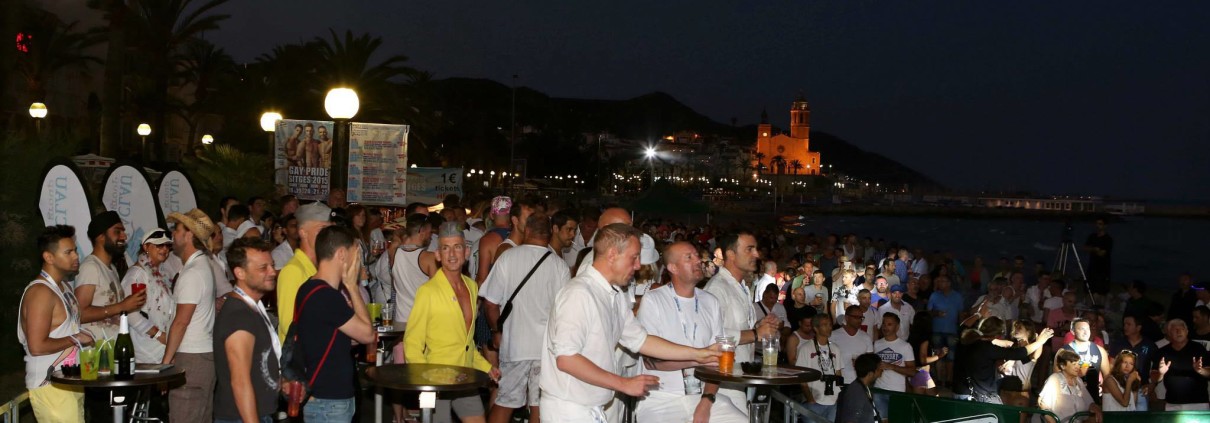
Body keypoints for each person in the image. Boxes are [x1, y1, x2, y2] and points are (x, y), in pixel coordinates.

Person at [539, 224, 722, 422]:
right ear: (612, 255)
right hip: (567, 409)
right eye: (634, 257)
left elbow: (642, 340)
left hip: (588, 407)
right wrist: (623, 383)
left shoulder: (614, 295)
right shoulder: (579, 293)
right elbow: (567, 359)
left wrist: (699, 354)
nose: (637, 266)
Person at [633, 241, 748, 423]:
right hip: (661, 398)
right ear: (673, 268)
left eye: (697, 256)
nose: (698, 261)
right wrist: (699, 358)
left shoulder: (711, 302)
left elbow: (717, 362)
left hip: (703, 396)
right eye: (689, 257)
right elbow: (651, 362)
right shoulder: (654, 300)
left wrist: (706, 401)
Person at [406, 223, 501, 423]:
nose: (451, 254)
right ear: (438, 255)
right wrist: (424, 383)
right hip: (436, 380)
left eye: (457, 247)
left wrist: (486, 367)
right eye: (445, 248)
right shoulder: (428, 291)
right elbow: (412, 343)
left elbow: (466, 343)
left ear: (466, 252)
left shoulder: (472, 286)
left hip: (464, 377)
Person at [481, 214, 571, 423]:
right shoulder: (560, 266)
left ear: (527, 230)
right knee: (539, 406)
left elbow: (490, 303)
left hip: (515, 345)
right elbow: (565, 312)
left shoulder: (507, 258)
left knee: (505, 402)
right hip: (546, 349)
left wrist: (496, 331)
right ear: (549, 234)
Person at [294, 225, 376, 421]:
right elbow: (368, 335)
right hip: (328, 401)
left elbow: (325, 336)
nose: (358, 261)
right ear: (341, 254)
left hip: (325, 398)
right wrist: (352, 286)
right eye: (356, 254)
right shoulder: (327, 296)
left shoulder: (309, 287)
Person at [19, 225, 92, 422]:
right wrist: (75, 338)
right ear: (49, 257)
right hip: (50, 386)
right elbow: (36, 346)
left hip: (70, 380)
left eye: (75, 250)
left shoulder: (64, 287)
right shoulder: (40, 293)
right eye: (68, 252)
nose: (76, 256)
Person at [704, 230, 783, 408]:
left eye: (756, 249)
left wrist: (759, 326)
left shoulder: (741, 287)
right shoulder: (717, 289)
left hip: (739, 379)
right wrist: (755, 334)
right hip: (722, 384)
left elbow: (736, 325)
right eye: (749, 249)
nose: (756, 254)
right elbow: (710, 335)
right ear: (731, 254)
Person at [214, 238, 280, 423]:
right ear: (240, 273)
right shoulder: (239, 316)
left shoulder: (251, 308)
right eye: (263, 268)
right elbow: (240, 382)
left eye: (272, 265)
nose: (272, 272)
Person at [163, 209, 219, 423]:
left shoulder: (193, 272)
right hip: (201, 356)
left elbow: (181, 322)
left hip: (191, 358)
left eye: (176, 229)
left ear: (188, 235)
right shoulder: (201, 266)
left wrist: (165, 365)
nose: (172, 235)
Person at [77, 211, 145, 345]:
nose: (124, 236)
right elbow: (80, 314)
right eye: (117, 231)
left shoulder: (111, 268)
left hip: (111, 348)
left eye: (123, 231)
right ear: (101, 237)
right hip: (96, 352)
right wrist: (122, 306)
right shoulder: (90, 267)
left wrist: (129, 305)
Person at [954, 317, 1054, 403]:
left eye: (1019, 327)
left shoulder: (967, 343)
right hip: (997, 392)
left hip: (1019, 393)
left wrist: (1040, 341)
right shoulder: (1004, 346)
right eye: (1015, 327)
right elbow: (1015, 352)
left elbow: (1033, 355)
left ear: (1028, 331)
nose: (1016, 329)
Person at [276, 202, 333, 339]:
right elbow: (289, 325)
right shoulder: (293, 270)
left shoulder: (319, 267)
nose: (327, 235)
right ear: (303, 233)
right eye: (321, 229)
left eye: (329, 229)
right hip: (302, 350)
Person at [119, 229, 175, 363]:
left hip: (163, 346)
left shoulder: (163, 273)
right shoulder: (137, 274)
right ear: (146, 247)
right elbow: (130, 313)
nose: (164, 249)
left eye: (167, 245)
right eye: (159, 245)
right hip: (146, 351)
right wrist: (159, 335)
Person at [1155, 319, 1210, 410]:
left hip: (1198, 402)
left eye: (1182, 329)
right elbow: (1154, 378)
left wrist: (1201, 370)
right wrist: (1161, 373)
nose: (1179, 332)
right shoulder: (1163, 351)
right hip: (1172, 403)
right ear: (1169, 333)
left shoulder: (1198, 348)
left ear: (1187, 331)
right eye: (1175, 330)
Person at [797, 314, 844, 421]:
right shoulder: (806, 348)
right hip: (814, 400)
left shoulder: (835, 348)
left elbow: (838, 373)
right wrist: (810, 399)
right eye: (825, 325)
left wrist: (838, 395)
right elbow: (802, 378)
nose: (829, 327)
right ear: (815, 328)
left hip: (833, 400)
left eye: (830, 324)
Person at [1107, 314, 1157, 411]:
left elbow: (1156, 368)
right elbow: (1111, 365)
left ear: (1138, 327)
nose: (1125, 327)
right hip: (1120, 389)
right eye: (1124, 324)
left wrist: (1152, 385)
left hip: (1141, 389)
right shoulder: (1118, 343)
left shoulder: (1150, 345)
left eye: (1129, 324)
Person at [872, 313, 915, 417]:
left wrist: (892, 367)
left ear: (897, 327)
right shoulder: (877, 344)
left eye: (889, 324)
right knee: (882, 420)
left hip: (897, 392)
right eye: (884, 324)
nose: (885, 327)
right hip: (879, 390)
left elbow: (912, 372)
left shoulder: (905, 346)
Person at [1039, 350, 1100, 423]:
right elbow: (1043, 405)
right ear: (1063, 366)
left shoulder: (1078, 381)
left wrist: (1095, 408)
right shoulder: (1054, 379)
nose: (1078, 367)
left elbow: (1089, 401)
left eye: (1079, 363)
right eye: (1074, 364)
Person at [1060, 318, 1111, 405]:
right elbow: (1057, 378)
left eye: (1087, 329)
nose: (1085, 332)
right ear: (1073, 331)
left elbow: (1108, 378)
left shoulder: (1100, 351)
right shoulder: (1063, 351)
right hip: (1070, 400)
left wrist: (1105, 394)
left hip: (1093, 399)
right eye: (1081, 329)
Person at [927, 275, 962, 388]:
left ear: (949, 283)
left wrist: (960, 330)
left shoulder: (957, 296)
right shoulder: (934, 295)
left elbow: (961, 314)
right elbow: (928, 312)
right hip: (937, 330)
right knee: (938, 355)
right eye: (939, 281)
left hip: (952, 331)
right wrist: (936, 313)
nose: (940, 283)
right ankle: (939, 379)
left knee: (951, 356)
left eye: (942, 281)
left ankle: (949, 380)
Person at [835, 353, 883, 423]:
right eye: (879, 369)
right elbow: (850, 420)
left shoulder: (863, 387)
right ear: (870, 374)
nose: (882, 370)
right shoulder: (856, 392)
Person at [834, 305, 875, 385]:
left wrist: (861, 363)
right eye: (856, 317)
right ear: (847, 317)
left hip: (859, 383)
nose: (859, 320)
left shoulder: (866, 337)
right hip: (839, 381)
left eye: (861, 318)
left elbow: (870, 362)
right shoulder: (833, 335)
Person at [907, 312, 944, 396]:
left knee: (932, 398)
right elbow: (923, 360)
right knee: (921, 401)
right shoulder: (924, 339)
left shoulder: (911, 337)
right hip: (921, 372)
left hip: (916, 372)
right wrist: (939, 356)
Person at [1083, 218, 1112, 302]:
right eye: (1097, 223)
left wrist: (1093, 249)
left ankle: (1101, 304)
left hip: (1103, 267)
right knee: (1089, 287)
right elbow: (1085, 248)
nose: (1097, 226)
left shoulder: (1108, 239)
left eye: (1100, 224)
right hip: (1092, 266)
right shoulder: (1092, 236)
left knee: (1101, 290)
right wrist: (1095, 249)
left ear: (1105, 226)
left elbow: (1102, 253)